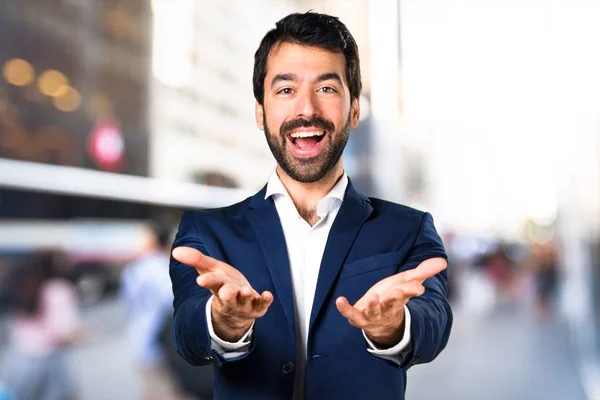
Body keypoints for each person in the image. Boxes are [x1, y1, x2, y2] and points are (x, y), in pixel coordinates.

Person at [170, 11, 452, 400]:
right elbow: (187, 332)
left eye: (327, 89)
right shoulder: (206, 234)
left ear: (354, 109)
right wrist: (222, 322)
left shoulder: (409, 229)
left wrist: (393, 325)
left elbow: (434, 320)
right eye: (286, 90)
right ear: (260, 111)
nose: (306, 109)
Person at [0, 250, 81, 400]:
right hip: (46, 364)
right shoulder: (58, 290)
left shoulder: (26, 283)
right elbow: (63, 334)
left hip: (16, 360)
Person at [121, 222, 180, 400]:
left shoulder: (133, 269)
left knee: (152, 391)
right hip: (162, 345)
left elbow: (128, 303)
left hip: (139, 339)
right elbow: (172, 304)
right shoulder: (165, 268)